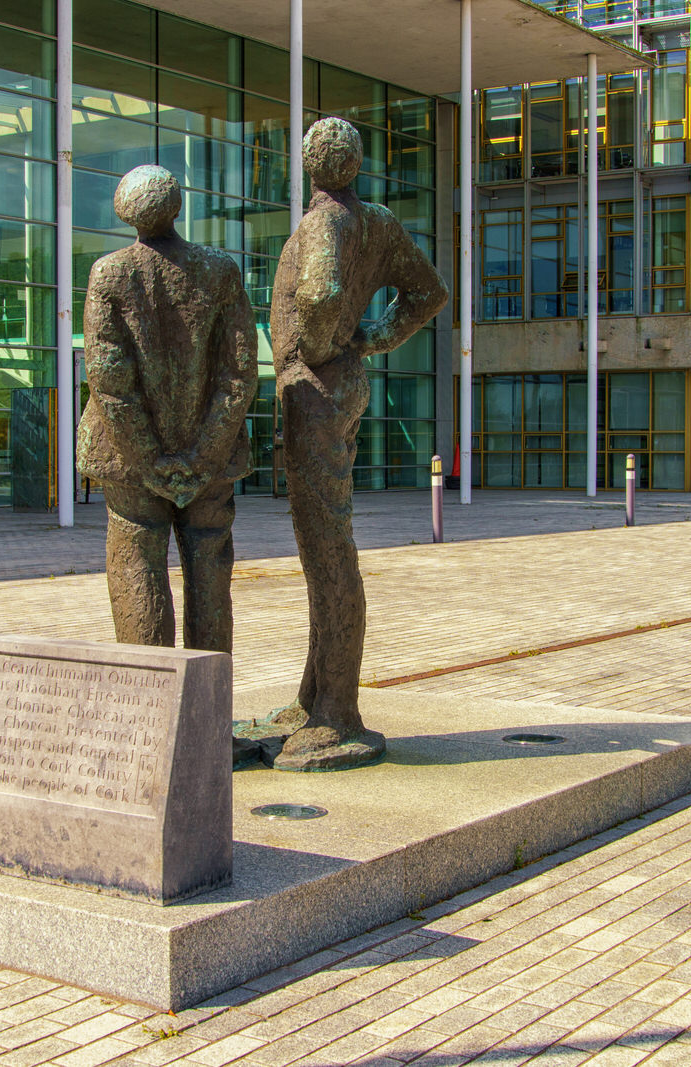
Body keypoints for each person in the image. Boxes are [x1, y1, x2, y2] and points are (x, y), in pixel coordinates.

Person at [269, 117, 448, 770]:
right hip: (340, 384)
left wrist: (322, 346)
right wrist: (375, 338)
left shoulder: (327, 223)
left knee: (328, 550)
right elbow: (427, 293)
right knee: (327, 547)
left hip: (317, 390)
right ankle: (316, 695)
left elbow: (319, 295)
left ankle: (337, 711)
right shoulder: (375, 221)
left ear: (309, 166)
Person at [77, 165, 257, 652]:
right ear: (177, 207)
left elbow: (109, 381)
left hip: (130, 465)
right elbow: (239, 373)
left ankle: (151, 717)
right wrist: (203, 455)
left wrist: (150, 459)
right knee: (211, 576)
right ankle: (209, 719)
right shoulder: (220, 270)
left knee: (136, 562)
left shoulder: (110, 273)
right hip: (208, 463)